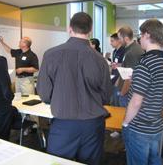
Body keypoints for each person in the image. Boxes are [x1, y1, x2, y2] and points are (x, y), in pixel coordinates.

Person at [37, 12, 112, 165]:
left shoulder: (51, 55)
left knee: (58, 162)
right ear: (90, 30)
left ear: (69, 28)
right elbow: (106, 96)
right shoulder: (100, 60)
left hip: (63, 123)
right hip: (93, 124)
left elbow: (44, 94)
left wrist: (60, 98)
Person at [122, 19, 163, 165]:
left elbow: (136, 102)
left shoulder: (144, 65)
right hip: (156, 125)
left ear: (147, 35)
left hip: (139, 128)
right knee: (154, 160)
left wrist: (125, 123)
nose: (139, 39)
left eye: (141, 35)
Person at [112, 26, 144, 107]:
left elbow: (129, 77)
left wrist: (122, 93)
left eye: (119, 38)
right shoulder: (130, 49)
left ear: (126, 39)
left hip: (128, 94)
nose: (119, 41)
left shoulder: (132, 52)